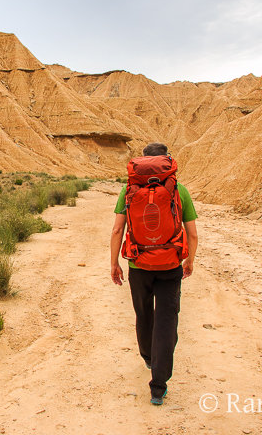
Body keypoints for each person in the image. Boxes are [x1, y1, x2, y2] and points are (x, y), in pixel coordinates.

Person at [109, 142, 198, 405]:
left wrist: (114, 263)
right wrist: (189, 260)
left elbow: (117, 230)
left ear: (143, 161)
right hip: (170, 265)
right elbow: (192, 232)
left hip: (138, 265)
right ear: (167, 161)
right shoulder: (179, 190)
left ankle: (148, 356)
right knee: (167, 320)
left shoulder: (128, 189)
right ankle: (158, 386)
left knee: (144, 312)